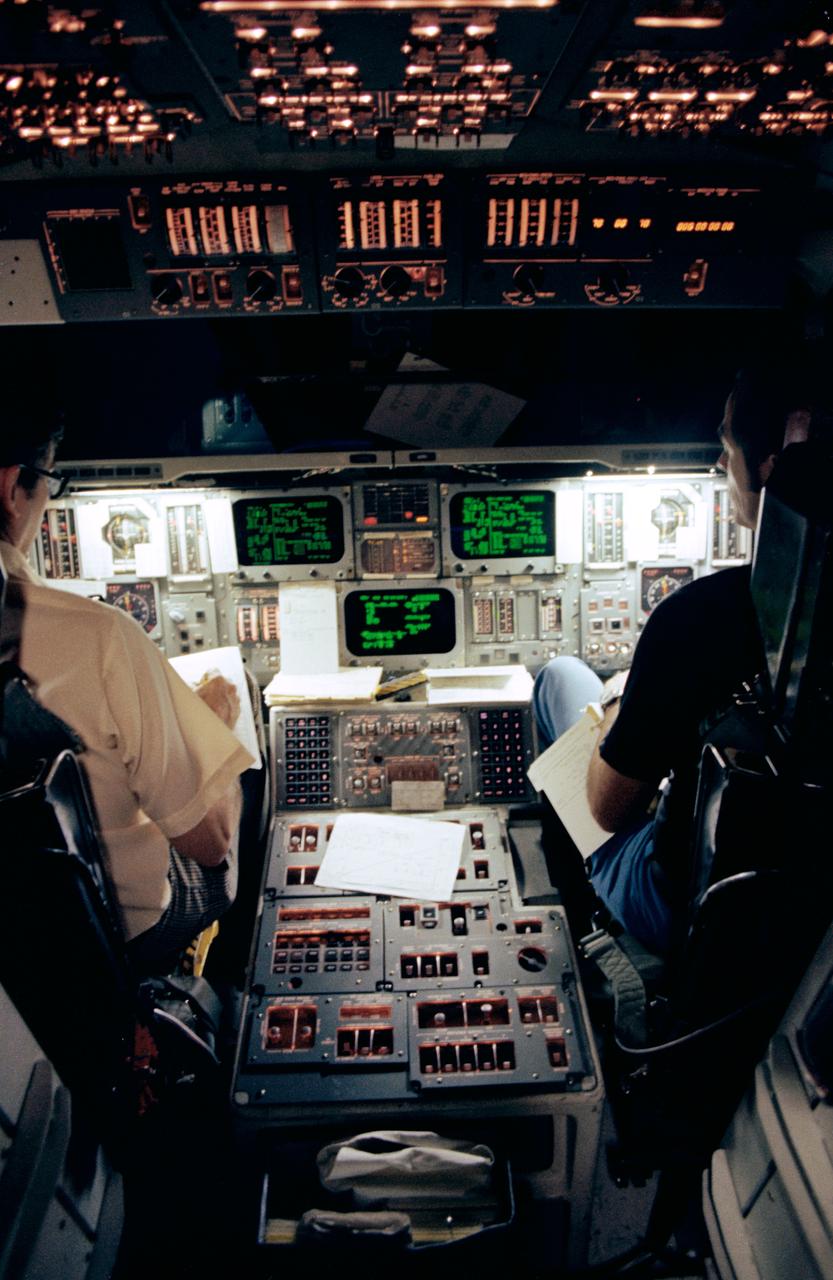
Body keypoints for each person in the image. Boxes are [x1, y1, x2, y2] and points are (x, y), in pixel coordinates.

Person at [533, 359, 820, 955]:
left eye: (726, 447)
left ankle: (584, 909)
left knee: (559, 678)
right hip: (811, 898)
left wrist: (621, 696)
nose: (720, 465)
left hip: (692, 901)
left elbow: (608, 811)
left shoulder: (701, 616)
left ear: (772, 466)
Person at [0, 410, 254, 975]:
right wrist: (214, 725)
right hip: (116, 931)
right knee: (233, 799)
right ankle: (226, 976)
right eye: (49, 482)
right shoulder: (97, 635)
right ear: (10, 488)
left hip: (17, 941)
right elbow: (208, 844)